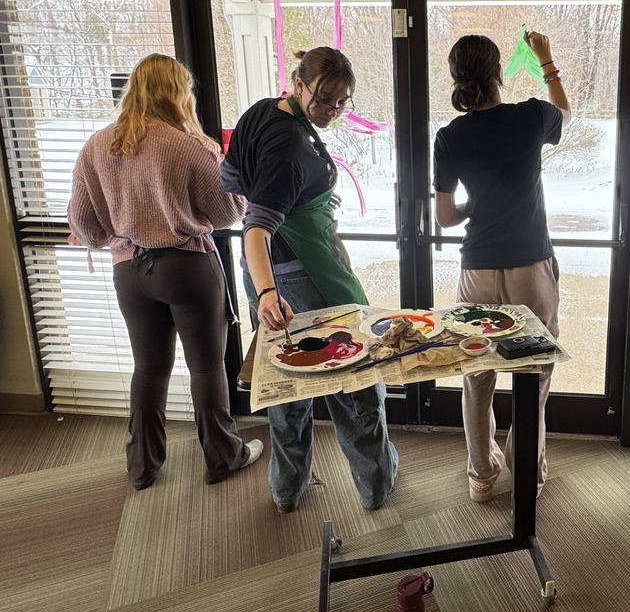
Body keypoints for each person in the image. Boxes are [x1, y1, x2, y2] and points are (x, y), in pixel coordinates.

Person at [68, 53, 262, 490]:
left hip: (129, 272)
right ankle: (222, 458)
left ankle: (142, 466)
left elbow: (81, 222)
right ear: (179, 94)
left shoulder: (97, 145)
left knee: (148, 369)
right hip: (186, 267)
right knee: (207, 368)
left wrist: (114, 235)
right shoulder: (187, 144)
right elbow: (228, 211)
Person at [222, 47, 398, 514]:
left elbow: (229, 176)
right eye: (324, 100)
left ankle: (287, 488)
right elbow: (255, 228)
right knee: (353, 377)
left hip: (267, 273)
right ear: (298, 83)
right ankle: (376, 484)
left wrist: (263, 284)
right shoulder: (292, 148)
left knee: (288, 380)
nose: (333, 111)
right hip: (303, 276)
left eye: (342, 102)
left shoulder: (261, 111)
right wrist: (267, 293)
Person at [432, 31, 569, 503]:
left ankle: (481, 475)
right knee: (534, 373)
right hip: (530, 265)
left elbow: (446, 217)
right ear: (499, 74)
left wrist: (477, 204)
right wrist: (546, 60)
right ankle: (526, 468)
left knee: (477, 373)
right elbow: (564, 114)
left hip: (478, 271)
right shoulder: (531, 116)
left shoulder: (449, 137)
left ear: (455, 78)